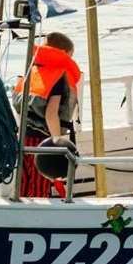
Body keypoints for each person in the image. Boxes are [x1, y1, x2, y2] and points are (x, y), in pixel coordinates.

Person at [16, 31, 82, 199]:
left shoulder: (35, 70)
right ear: (65, 53)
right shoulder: (58, 76)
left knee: (22, 184)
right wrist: (57, 143)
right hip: (43, 142)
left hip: (23, 137)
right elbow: (51, 113)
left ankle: (19, 216)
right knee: (39, 186)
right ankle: (35, 221)